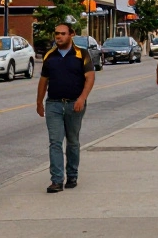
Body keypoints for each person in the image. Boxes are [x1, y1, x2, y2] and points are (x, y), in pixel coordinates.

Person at [36, 22, 95, 193]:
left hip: (74, 104)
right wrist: (39, 102)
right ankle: (56, 180)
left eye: (62, 33)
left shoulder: (81, 54)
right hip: (53, 104)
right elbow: (43, 81)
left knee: (73, 141)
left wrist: (82, 98)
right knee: (55, 142)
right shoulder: (50, 56)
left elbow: (90, 78)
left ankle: (72, 174)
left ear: (71, 34)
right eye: (57, 34)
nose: (59, 37)